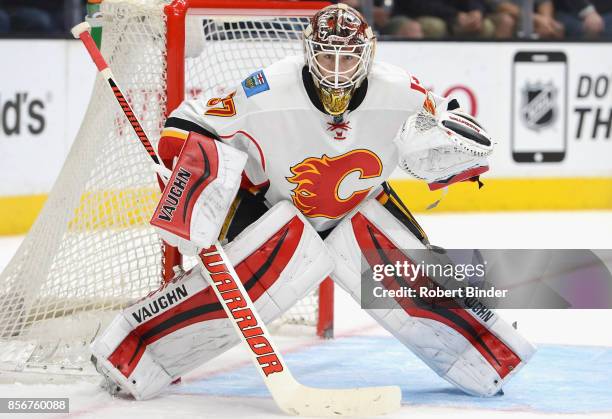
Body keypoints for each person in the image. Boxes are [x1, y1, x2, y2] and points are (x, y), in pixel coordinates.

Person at [89, 4, 535, 402]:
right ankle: (130, 353)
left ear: (369, 56)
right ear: (308, 51)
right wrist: (188, 171)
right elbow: (188, 123)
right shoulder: (264, 89)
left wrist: (452, 156)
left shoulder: (404, 91)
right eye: (326, 55)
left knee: (415, 279)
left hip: (362, 203)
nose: (337, 69)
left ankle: (485, 356)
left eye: (348, 57)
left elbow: (451, 132)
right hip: (267, 207)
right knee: (236, 293)